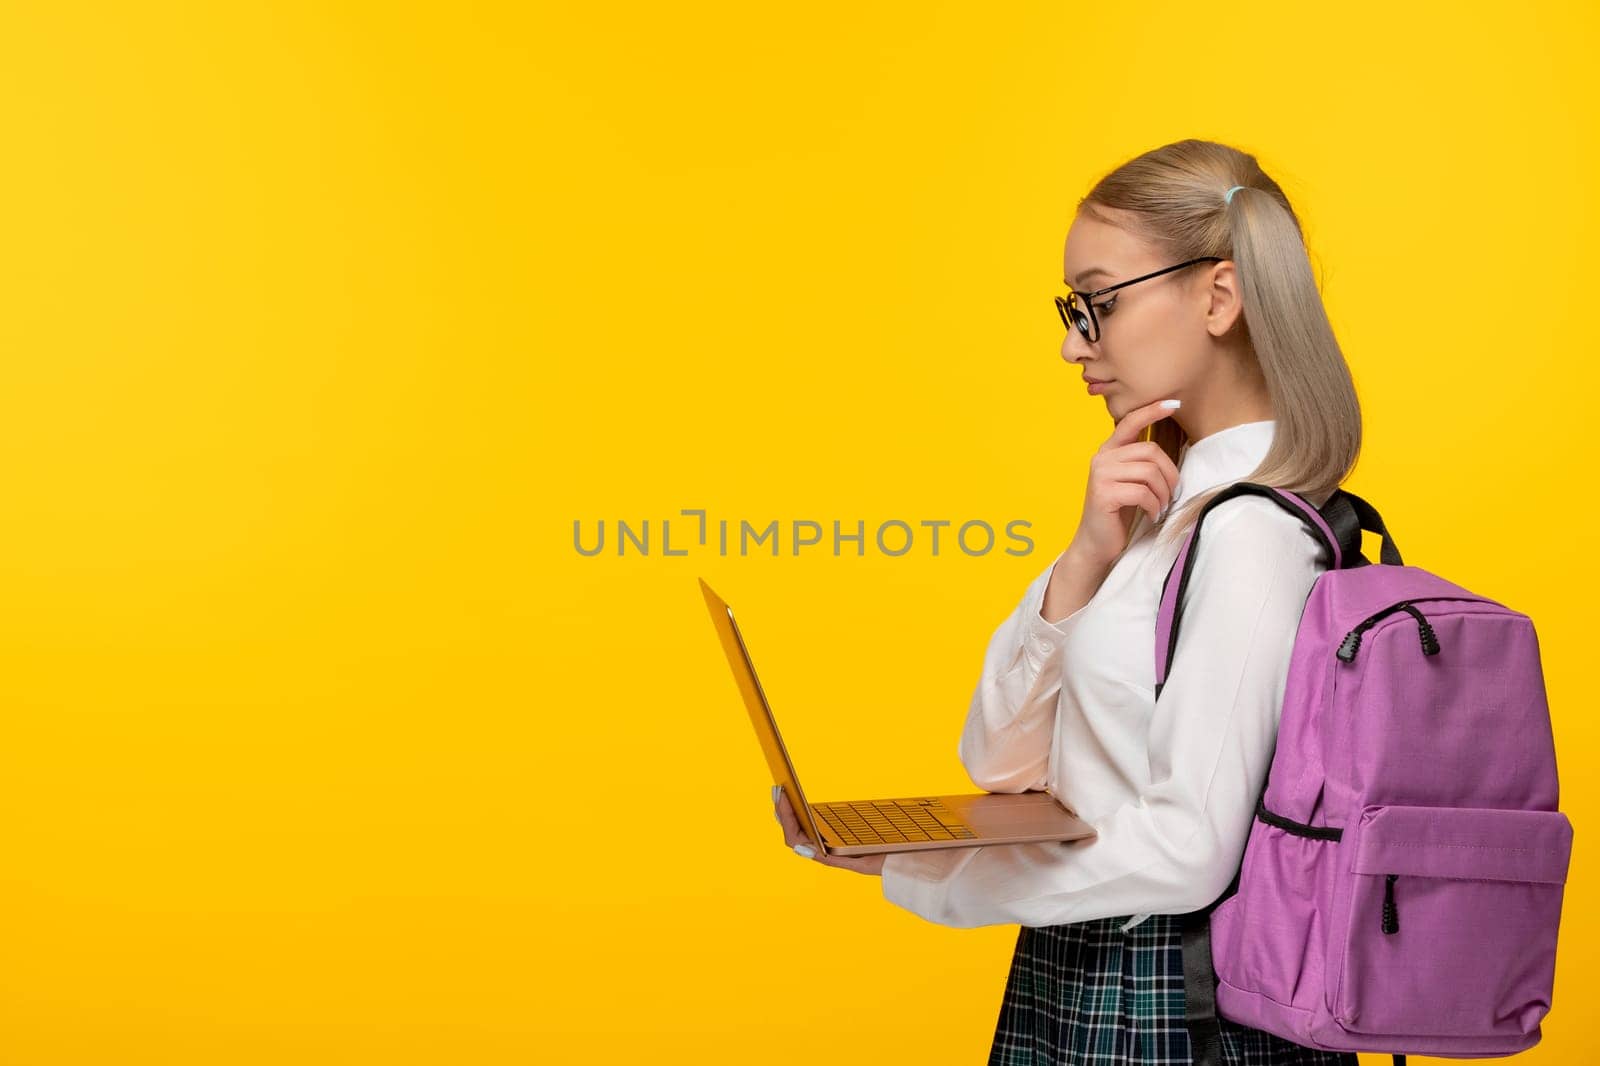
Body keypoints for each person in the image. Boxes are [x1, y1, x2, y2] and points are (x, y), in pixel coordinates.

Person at [773, 139, 1366, 1064]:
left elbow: (1189, 850)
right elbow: (999, 759)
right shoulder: (1162, 515)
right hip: (1088, 966)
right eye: (1072, 308)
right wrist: (1088, 553)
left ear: (1218, 296)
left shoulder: (1253, 538)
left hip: (1169, 1003)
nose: (1071, 341)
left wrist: (935, 875)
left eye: (1100, 302)